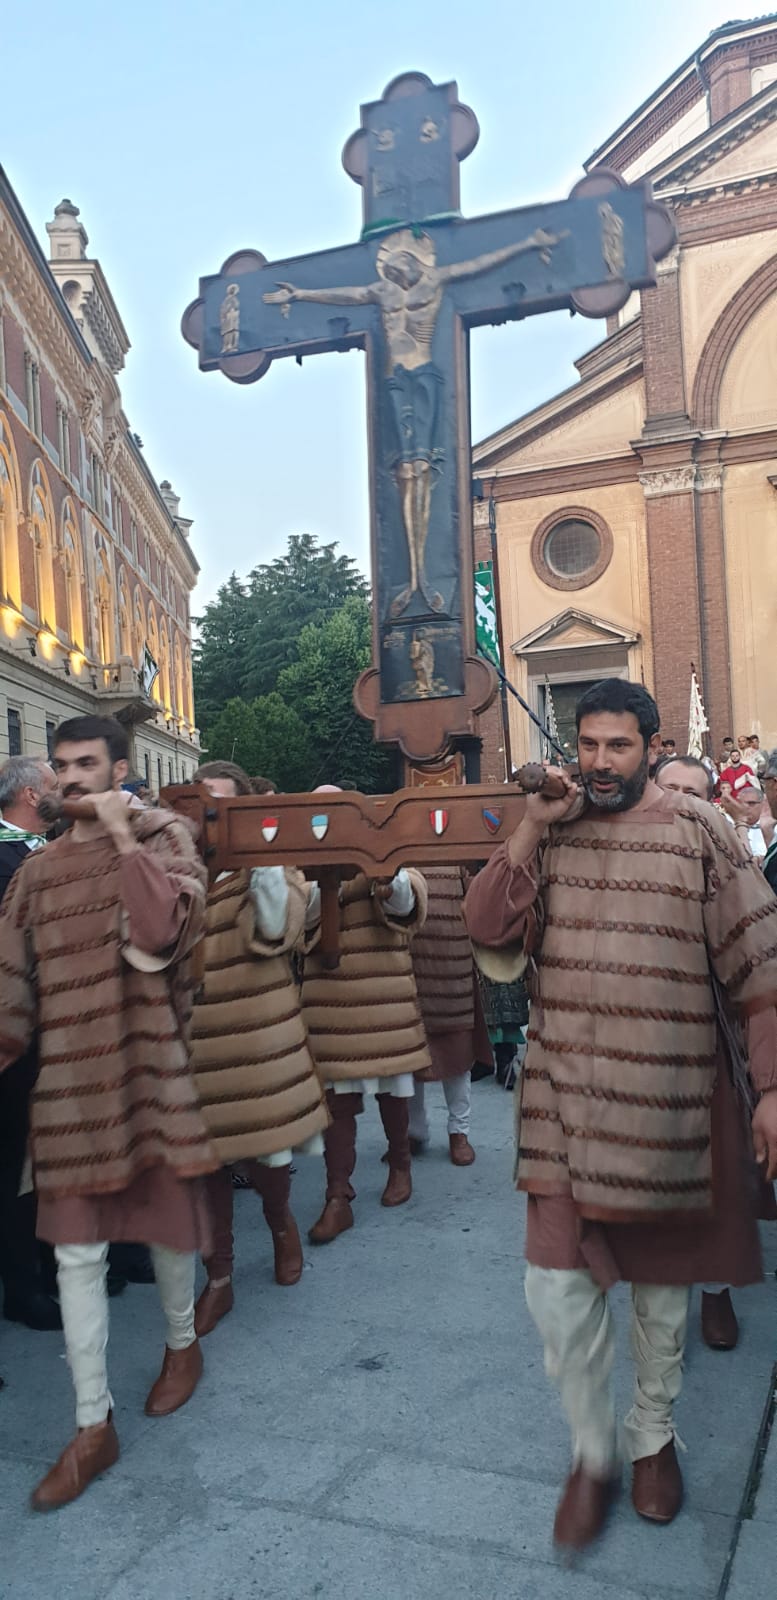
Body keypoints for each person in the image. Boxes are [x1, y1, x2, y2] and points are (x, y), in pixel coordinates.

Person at [464, 678, 777, 1551]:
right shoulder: (549, 834)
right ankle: (591, 1446)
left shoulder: (700, 832)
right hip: (561, 1100)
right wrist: (530, 825)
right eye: (588, 745)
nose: (599, 764)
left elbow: (759, 971)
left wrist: (772, 1090)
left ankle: (649, 1436)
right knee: (556, 1292)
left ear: (649, 745)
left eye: (618, 747)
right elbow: (486, 929)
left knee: (662, 1294)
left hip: (669, 1102)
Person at [0, 715, 217, 1510]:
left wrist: (126, 841)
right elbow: (9, 984)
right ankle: (93, 1426)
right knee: (77, 1255)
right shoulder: (36, 873)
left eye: (87, 764)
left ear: (119, 769)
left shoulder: (167, 839)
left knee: (160, 1225)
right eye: (60, 767)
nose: (71, 780)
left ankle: (182, 1346)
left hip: (148, 1069)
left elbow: (166, 932)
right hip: (67, 1089)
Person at [189, 760, 329, 1336]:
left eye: (224, 805)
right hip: (196, 1041)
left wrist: (261, 853)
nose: (212, 816)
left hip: (259, 1035)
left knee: (270, 1152)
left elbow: (275, 929)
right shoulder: (176, 872)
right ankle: (218, 1276)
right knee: (204, 1165)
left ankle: (280, 1228)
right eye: (202, 804)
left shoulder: (272, 868)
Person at [302, 789, 430, 1244]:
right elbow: (300, 919)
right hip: (332, 1002)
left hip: (384, 1000)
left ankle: (401, 1165)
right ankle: (338, 1194)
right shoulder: (302, 862)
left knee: (392, 1090)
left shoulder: (390, 849)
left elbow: (409, 903)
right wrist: (323, 878)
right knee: (337, 1101)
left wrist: (384, 876)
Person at [0, 757, 62, 1336]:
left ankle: (43, 1268)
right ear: (27, 794)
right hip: (14, 1040)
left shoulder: (43, 850)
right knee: (15, 1162)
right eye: (53, 785)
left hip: (47, 1034)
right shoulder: (7, 858)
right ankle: (22, 1286)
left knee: (41, 1160)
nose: (62, 793)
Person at [408, 866, 492, 1164]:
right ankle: (414, 1130)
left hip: (453, 963)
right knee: (410, 1054)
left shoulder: (456, 848)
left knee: (458, 1052)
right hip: (410, 961)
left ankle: (460, 1131)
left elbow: (478, 894)